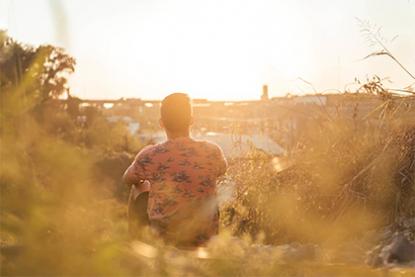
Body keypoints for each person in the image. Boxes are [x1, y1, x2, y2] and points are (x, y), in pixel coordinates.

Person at [123, 93, 227, 247]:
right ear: (192, 120)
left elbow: (127, 179)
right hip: (206, 238)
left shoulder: (151, 155)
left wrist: (152, 182)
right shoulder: (212, 151)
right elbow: (221, 170)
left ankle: (137, 245)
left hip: (166, 238)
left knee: (138, 187)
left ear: (161, 123)